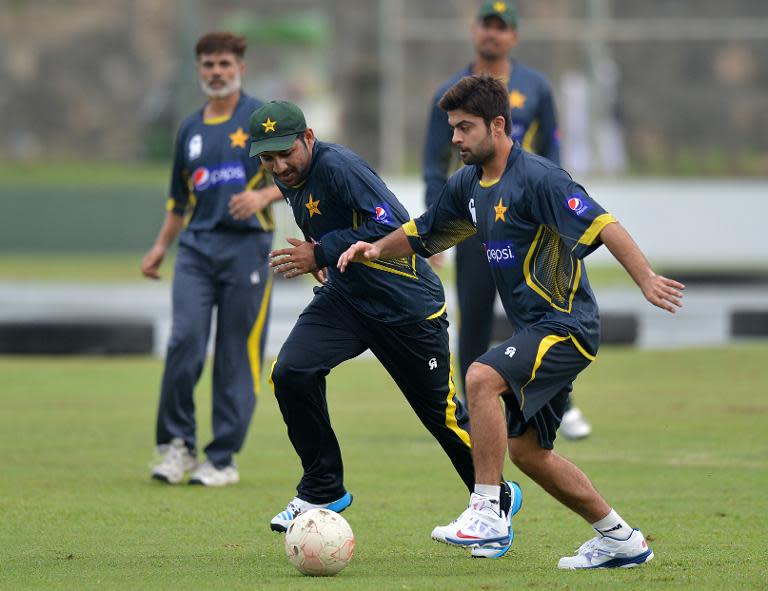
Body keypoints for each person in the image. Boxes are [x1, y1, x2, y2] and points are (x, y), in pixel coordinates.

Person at [338, 75, 684, 567]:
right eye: (452, 128)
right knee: (528, 454)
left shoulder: (541, 178)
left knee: (480, 377)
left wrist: (646, 279)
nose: (454, 138)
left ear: (498, 126)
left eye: (465, 128)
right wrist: (375, 248)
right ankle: (620, 539)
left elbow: (604, 224)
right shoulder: (468, 185)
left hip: (567, 326)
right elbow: (425, 232)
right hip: (534, 330)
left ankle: (487, 511)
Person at [246, 100, 513, 543]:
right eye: (268, 158)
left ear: (308, 138)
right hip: (347, 300)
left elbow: (392, 222)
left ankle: (493, 497)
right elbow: (332, 222)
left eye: (286, 152)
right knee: (292, 373)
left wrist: (322, 251)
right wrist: (323, 257)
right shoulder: (291, 176)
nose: (279, 165)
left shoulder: (339, 166)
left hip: (407, 308)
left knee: (442, 418)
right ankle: (322, 488)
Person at [423, 1, 592, 440]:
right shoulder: (451, 93)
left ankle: (561, 404)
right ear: (473, 29)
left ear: (514, 36)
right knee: (474, 316)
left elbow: (553, 154)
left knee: (539, 314)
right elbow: (433, 165)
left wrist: (557, 216)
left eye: (502, 27)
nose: (493, 34)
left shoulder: (535, 86)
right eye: (486, 25)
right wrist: (436, 236)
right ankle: (472, 409)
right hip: (475, 223)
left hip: (528, 228)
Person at [142, 32, 283, 487]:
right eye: (208, 65)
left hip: (248, 250)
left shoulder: (262, 120)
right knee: (183, 340)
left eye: (224, 63)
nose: (216, 72)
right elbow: (178, 201)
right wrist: (161, 246)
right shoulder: (189, 129)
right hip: (196, 252)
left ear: (241, 67)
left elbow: (302, 174)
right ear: (199, 70)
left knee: (236, 356)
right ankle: (175, 445)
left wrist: (262, 193)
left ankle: (221, 458)